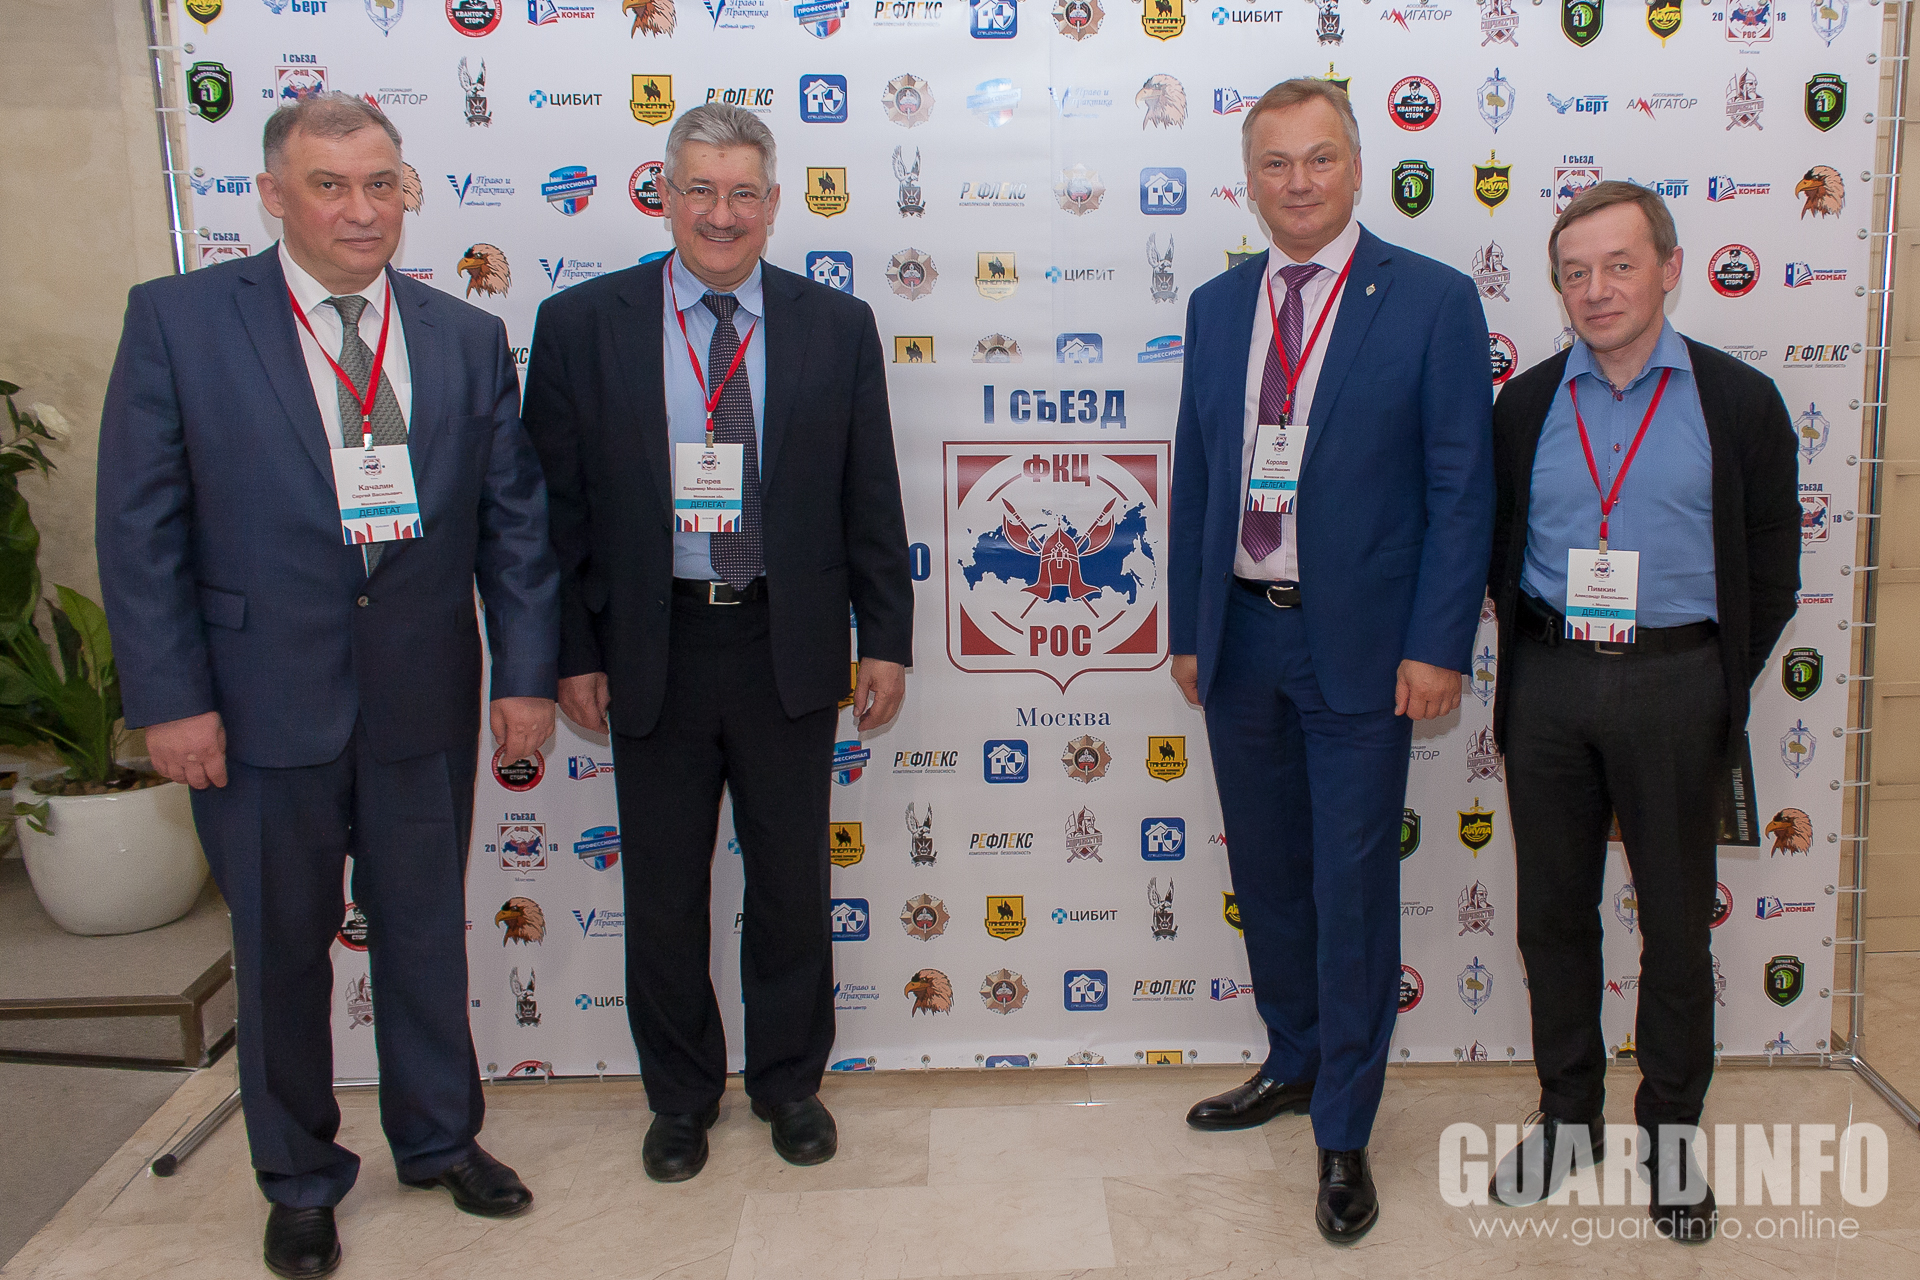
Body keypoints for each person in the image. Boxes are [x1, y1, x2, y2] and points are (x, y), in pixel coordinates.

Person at [96, 94, 559, 1278]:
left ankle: (441, 1138)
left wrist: (525, 675)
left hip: (420, 695)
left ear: (407, 192)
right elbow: (140, 530)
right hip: (256, 705)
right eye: (331, 184)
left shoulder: (464, 336)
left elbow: (513, 526)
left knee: (425, 934)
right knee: (281, 949)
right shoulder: (180, 322)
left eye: (381, 183)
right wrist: (170, 700)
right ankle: (299, 1176)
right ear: (273, 194)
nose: (362, 209)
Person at [520, 103, 912, 1184]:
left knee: (790, 884)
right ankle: (681, 1097)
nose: (722, 213)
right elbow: (555, 516)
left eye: (743, 192)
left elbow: (870, 496)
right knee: (662, 893)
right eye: (700, 189)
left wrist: (884, 637)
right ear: (665, 196)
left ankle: (789, 1084)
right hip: (653, 648)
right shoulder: (581, 324)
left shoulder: (837, 325)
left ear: (774, 204)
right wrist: (570, 653)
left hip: (788, 641)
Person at [1167, 78, 1493, 1243]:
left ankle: (1345, 1126)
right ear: (1248, 181)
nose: (1297, 182)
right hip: (1241, 634)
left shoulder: (1433, 299)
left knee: (1351, 888)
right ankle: (1294, 1058)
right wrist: (1188, 627)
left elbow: (1462, 487)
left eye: (1319, 159)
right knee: (1267, 872)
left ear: (1357, 168)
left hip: (1362, 647)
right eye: (1276, 163)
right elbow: (1198, 470)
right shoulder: (1217, 306)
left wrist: (1436, 643)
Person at [1484, 181, 1800, 1241]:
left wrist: (1714, 678)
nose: (1597, 289)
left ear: (1669, 268)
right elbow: (1494, 547)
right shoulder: (1524, 405)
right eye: (1575, 272)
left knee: (1673, 923)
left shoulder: (1738, 400)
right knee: (1551, 915)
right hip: (1550, 682)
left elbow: (1773, 562)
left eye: (1620, 265)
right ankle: (1568, 1117)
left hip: (1676, 683)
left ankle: (1670, 1133)